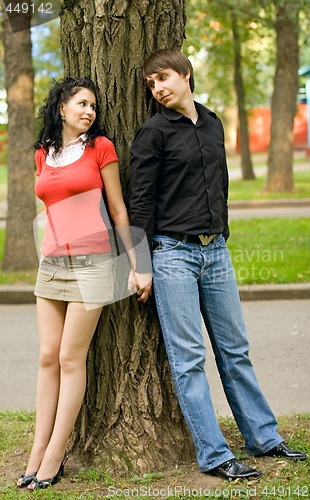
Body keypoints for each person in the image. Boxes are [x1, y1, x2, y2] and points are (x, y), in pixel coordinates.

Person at [129, 48, 307, 480]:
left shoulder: (212, 122)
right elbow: (140, 203)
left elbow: (219, 183)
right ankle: (214, 454)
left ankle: (263, 437)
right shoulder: (152, 133)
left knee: (235, 350)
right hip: (172, 254)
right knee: (188, 358)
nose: (158, 88)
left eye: (164, 78)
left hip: (216, 252)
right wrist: (141, 264)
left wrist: (221, 233)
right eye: (151, 84)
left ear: (186, 74)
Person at [17, 77, 141, 491]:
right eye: (82, 104)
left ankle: (55, 455)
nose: (89, 112)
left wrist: (136, 264)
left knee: (72, 358)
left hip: (93, 264)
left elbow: (119, 208)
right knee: (47, 357)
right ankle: (37, 450)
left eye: (93, 106)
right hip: (51, 264)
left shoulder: (100, 148)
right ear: (62, 108)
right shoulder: (42, 154)